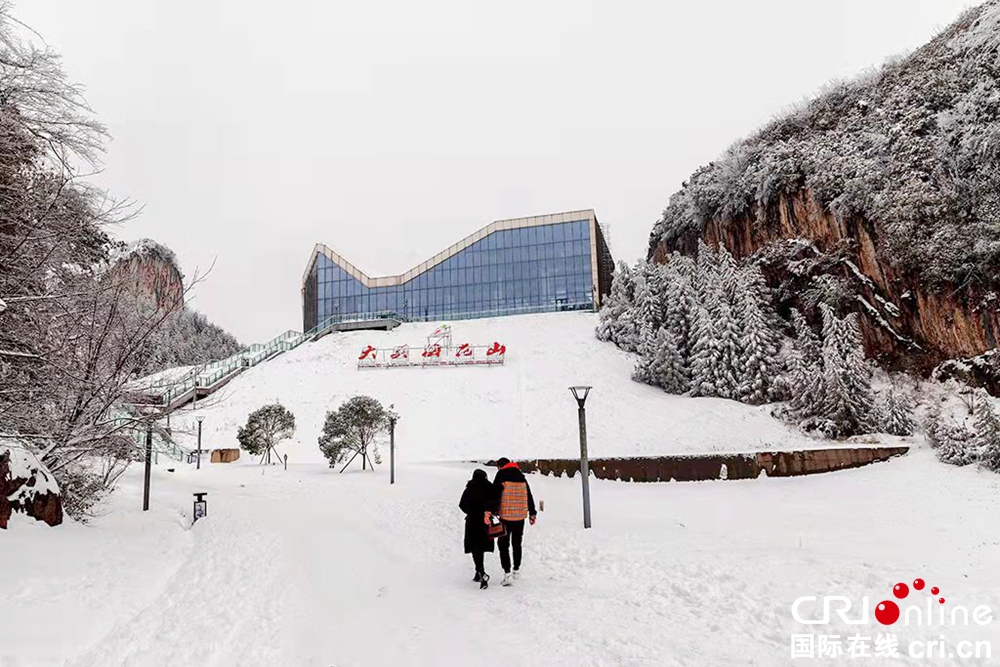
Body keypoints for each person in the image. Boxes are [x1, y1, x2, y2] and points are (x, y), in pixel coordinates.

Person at [491, 457, 537, 586]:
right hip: (520, 516)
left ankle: (507, 574)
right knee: (517, 543)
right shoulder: (521, 476)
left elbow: (495, 494)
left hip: (505, 516)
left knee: (503, 545)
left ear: (500, 466)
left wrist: (492, 511)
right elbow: (529, 495)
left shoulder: (501, 474)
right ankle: (516, 570)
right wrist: (532, 513)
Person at [459, 468, 496, 589]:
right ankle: (479, 572)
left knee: (475, 547)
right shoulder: (490, 488)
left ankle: (481, 572)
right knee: (481, 546)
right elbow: (495, 503)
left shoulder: (469, 488)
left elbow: (462, 504)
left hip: (472, 521)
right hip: (486, 521)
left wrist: (472, 512)